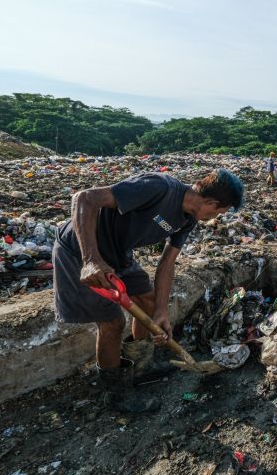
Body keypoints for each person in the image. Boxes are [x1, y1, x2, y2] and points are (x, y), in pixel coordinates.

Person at [52, 169, 244, 413]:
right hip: (79, 250)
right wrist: (91, 259)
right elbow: (84, 198)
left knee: (149, 302)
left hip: (119, 253)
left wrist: (161, 311)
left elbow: (167, 262)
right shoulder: (159, 187)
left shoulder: (188, 219)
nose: (216, 216)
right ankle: (115, 394)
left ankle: (140, 363)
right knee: (112, 322)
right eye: (219, 212)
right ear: (211, 202)